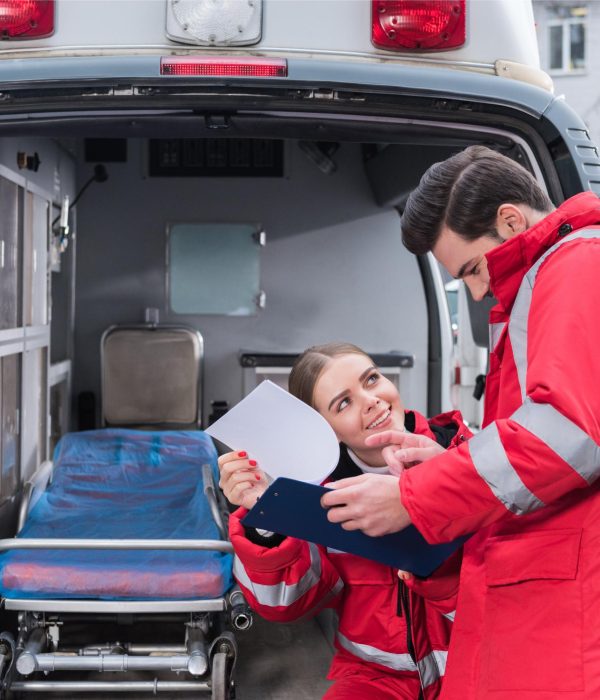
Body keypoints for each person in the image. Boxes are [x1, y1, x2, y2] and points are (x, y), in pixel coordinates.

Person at [320, 145, 600, 699]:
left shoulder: (575, 266)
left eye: (474, 270)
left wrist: (415, 495)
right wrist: (452, 465)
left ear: (511, 220)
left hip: (562, 607)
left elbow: (567, 435)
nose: (478, 291)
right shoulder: (554, 278)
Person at [218, 342, 470, 700]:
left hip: (476, 665)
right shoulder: (321, 497)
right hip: (377, 678)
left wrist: (442, 494)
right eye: (344, 402)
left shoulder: (468, 456)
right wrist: (267, 515)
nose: (370, 400)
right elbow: (284, 605)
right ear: (325, 431)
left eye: (371, 379)